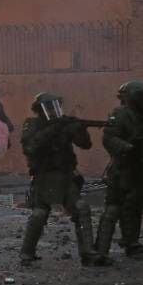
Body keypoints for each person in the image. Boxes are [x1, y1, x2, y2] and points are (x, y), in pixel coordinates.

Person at [20, 93, 100, 267]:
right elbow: (30, 147)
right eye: (48, 107)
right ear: (39, 110)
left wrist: (79, 129)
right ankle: (27, 253)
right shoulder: (32, 124)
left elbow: (85, 145)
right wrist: (53, 129)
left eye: (55, 106)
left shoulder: (65, 124)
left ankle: (88, 252)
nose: (52, 110)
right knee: (39, 214)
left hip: (65, 176)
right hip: (44, 177)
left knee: (81, 208)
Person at [95, 81, 143, 264]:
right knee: (116, 208)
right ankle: (102, 250)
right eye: (142, 96)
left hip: (142, 168)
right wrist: (128, 147)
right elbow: (109, 138)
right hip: (123, 168)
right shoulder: (120, 115)